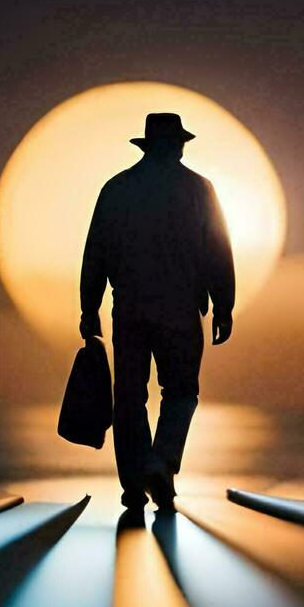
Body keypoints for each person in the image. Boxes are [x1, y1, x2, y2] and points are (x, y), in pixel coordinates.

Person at [79, 112, 235, 512]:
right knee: (181, 391)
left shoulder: (117, 189)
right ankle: (160, 463)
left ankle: (134, 485)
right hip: (181, 309)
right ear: (179, 146)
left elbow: (95, 251)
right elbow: (218, 251)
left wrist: (88, 307)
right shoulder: (199, 190)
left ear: (148, 145)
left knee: (129, 398)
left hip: (128, 309)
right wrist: (223, 306)